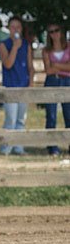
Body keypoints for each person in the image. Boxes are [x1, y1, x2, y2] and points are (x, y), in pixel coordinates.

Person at [0, 15, 34, 155]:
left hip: (23, 86)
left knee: (21, 118)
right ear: (9, 29)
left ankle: (19, 147)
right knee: (11, 118)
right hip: (10, 87)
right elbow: (8, 64)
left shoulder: (26, 45)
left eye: (18, 27)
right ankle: (6, 147)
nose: (15, 29)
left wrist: (31, 82)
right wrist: (15, 47)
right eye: (13, 27)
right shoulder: (3, 44)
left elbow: (30, 66)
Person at [41, 22, 70, 157]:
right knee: (51, 115)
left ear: (61, 31)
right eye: (51, 32)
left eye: (56, 30)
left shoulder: (68, 46)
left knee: (68, 114)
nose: (54, 34)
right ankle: (52, 146)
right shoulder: (46, 50)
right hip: (52, 81)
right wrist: (63, 66)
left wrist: (56, 65)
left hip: (67, 81)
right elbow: (48, 70)